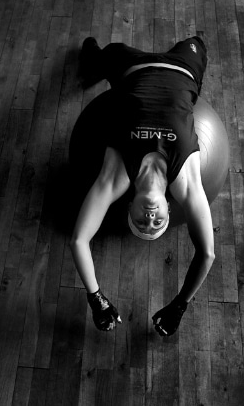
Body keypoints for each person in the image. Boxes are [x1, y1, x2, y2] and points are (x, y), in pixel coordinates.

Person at [70, 36, 215, 336]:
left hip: (131, 68)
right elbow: (207, 254)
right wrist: (180, 305)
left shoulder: (116, 177)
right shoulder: (186, 184)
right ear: (168, 209)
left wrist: (96, 298)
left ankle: (94, 62)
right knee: (197, 43)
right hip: (182, 70)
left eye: (141, 221)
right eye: (157, 222)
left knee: (106, 52)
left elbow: (79, 241)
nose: (150, 217)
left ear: (129, 207)